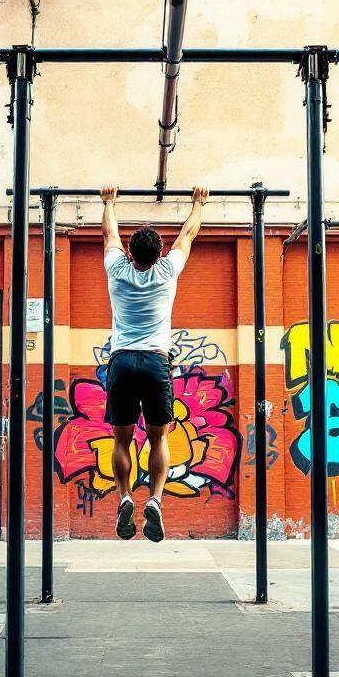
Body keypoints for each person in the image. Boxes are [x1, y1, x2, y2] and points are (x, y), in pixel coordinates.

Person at [100, 184, 207, 542]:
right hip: (156, 361)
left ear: (130, 253)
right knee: (159, 437)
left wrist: (109, 202)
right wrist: (197, 204)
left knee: (121, 440)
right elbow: (188, 233)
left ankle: (124, 496)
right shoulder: (167, 272)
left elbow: (108, 231)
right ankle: (156, 500)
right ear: (159, 253)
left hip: (121, 360)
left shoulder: (116, 269)